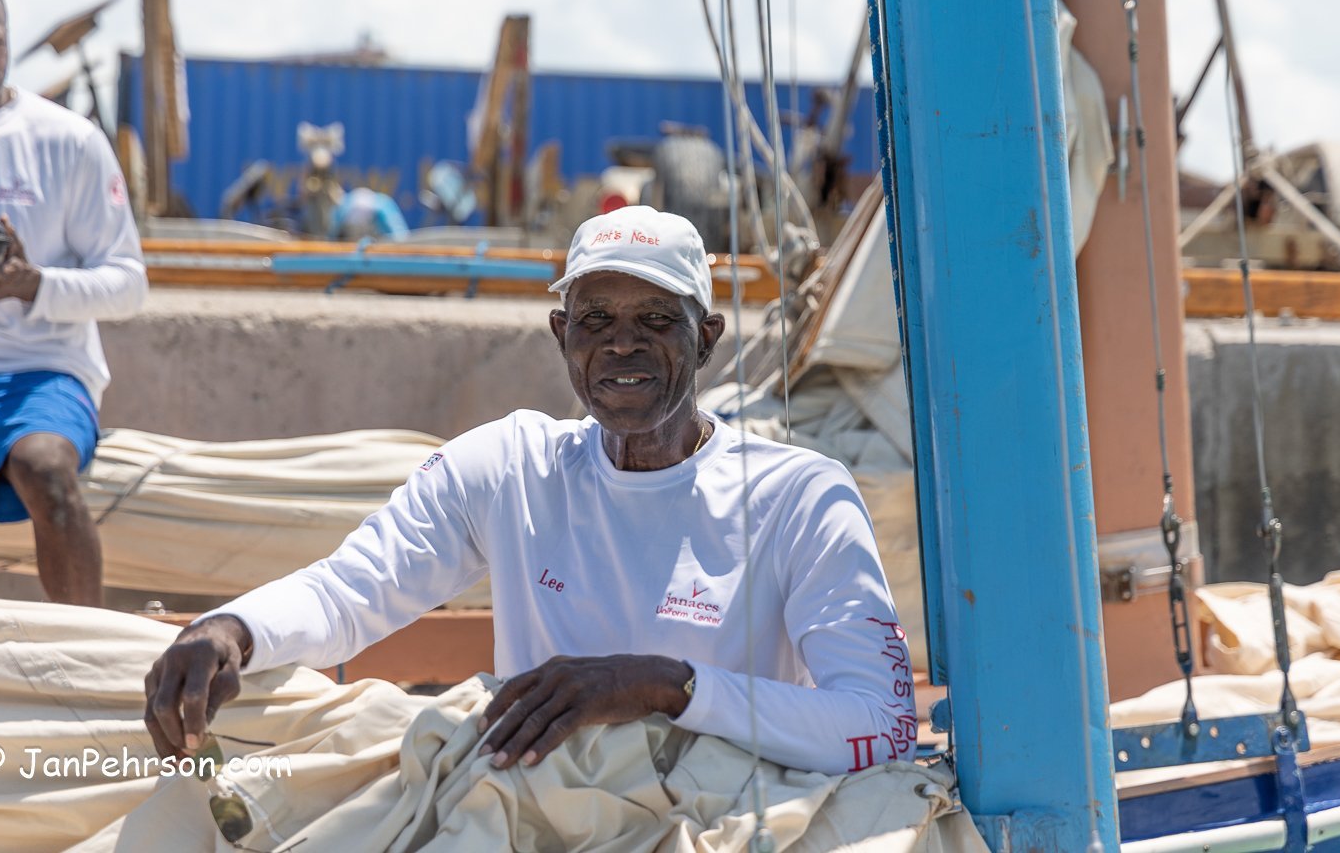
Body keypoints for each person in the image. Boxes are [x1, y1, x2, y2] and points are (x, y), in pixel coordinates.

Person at [146, 206, 916, 777]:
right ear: (560, 335)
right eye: (595, 320)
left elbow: (882, 724)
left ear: (706, 340)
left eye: (656, 318)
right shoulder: (510, 468)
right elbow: (352, 591)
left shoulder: (799, 497)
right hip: (539, 816)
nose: (622, 342)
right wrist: (231, 631)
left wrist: (662, 687)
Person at [0, 0, 147, 607]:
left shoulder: (69, 141)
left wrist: (33, 286)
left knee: (47, 472)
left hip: (42, 369)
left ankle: (87, 663)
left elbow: (128, 285)